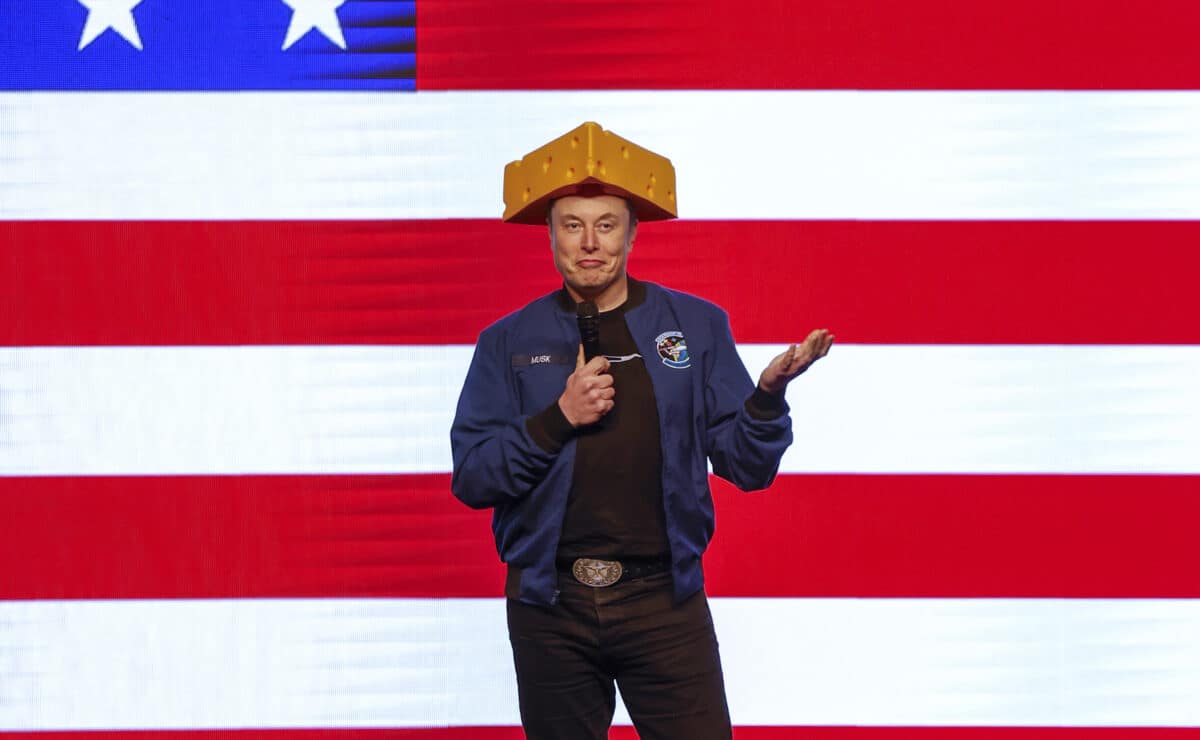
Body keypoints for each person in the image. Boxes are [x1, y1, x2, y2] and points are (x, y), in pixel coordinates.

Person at [450, 123, 833, 739]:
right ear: (550, 234)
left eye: (606, 225)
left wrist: (766, 398)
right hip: (550, 607)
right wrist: (559, 418)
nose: (589, 243)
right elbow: (472, 477)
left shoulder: (697, 325)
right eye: (572, 225)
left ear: (631, 233)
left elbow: (746, 467)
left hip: (664, 603)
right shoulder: (506, 341)